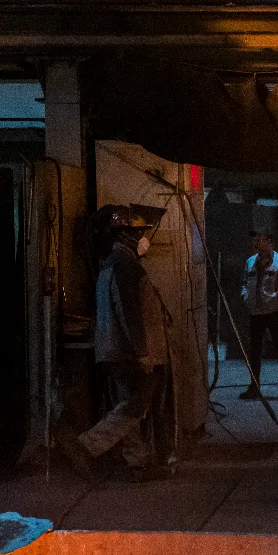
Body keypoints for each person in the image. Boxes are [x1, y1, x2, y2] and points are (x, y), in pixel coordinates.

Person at [62, 205, 170, 481]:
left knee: (126, 404)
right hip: (127, 351)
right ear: (128, 236)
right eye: (140, 233)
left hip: (113, 349)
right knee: (136, 404)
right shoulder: (125, 265)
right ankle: (87, 445)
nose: (145, 239)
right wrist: (142, 351)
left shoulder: (111, 263)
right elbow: (128, 310)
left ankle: (138, 463)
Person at [239, 231, 278, 401]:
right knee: (255, 351)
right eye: (255, 240)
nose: (257, 243)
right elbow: (244, 282)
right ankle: (254, 386)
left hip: (274, 311)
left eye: (261, 240)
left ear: (270, 242)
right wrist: (245, 295)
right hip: (255, 312)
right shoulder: (250, 262)